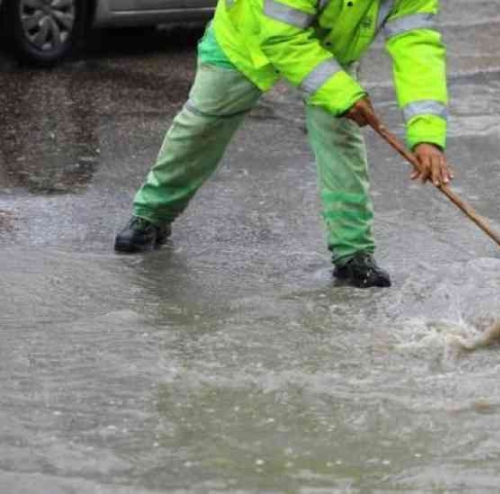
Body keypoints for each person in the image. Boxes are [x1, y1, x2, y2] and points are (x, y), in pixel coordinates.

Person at [114, 0, 452, 289]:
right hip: (249, 36)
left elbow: (417, 47)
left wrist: (427, 136)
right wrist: (342, 93)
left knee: (341, 142)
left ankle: (353, 254)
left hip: (330, 50)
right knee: (202, 127)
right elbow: (280, 35)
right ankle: (151, 216)